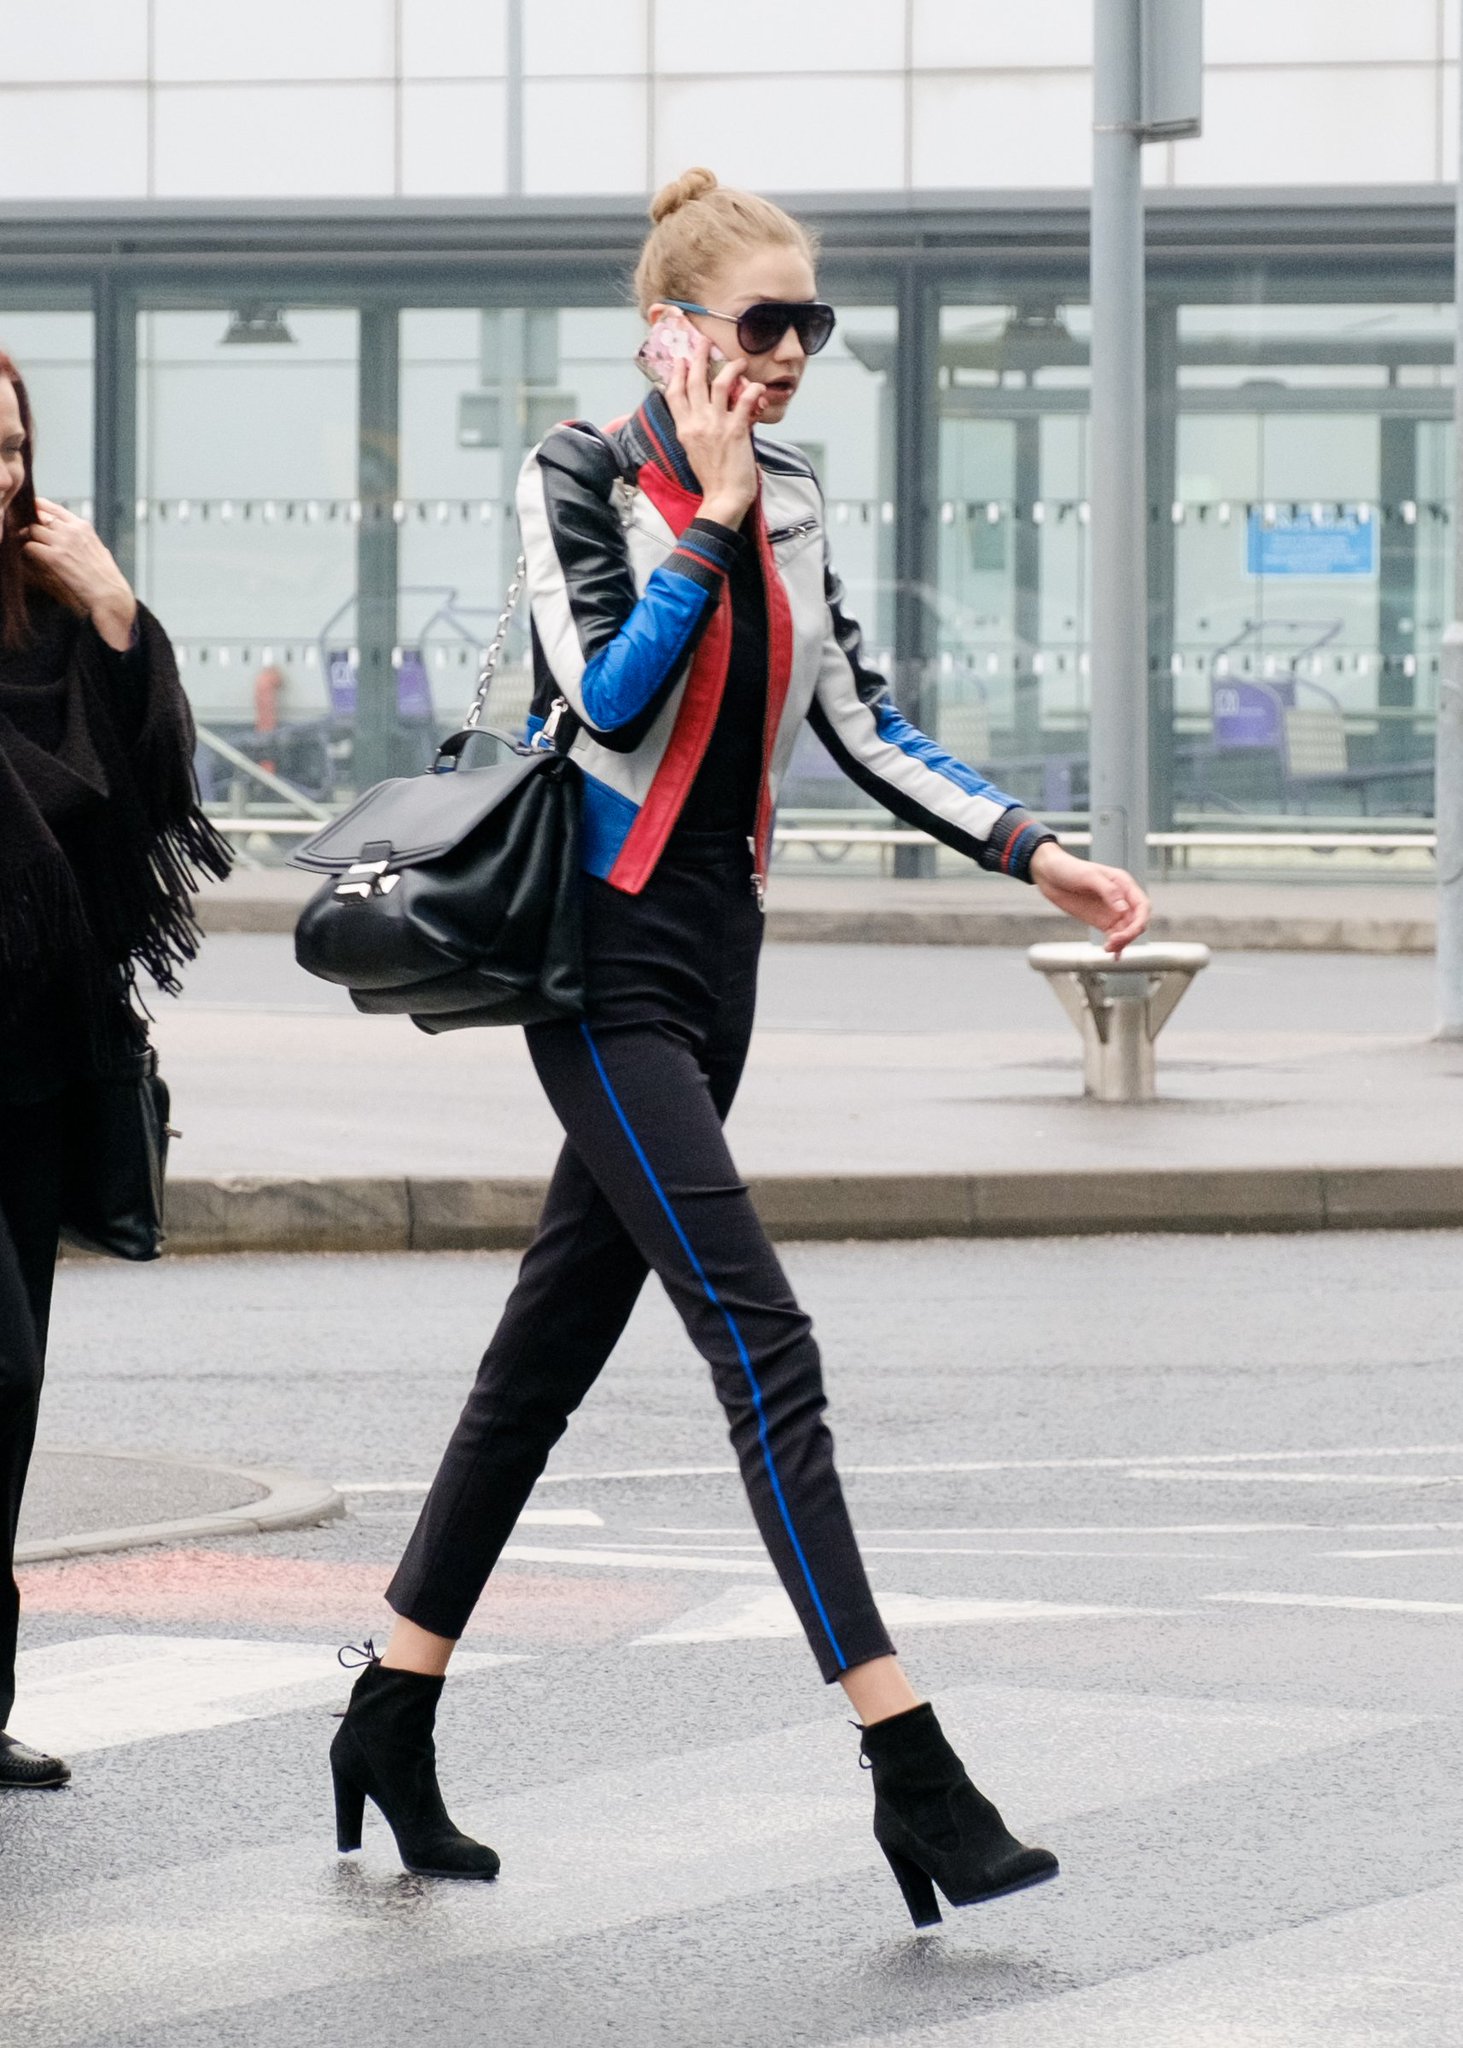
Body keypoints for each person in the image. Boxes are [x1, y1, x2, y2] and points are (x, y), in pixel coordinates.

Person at [331, 170, 1151, 1925]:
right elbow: (604, 697)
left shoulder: (794, 493)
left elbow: (857, 716)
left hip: (723, 960)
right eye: (759, 324)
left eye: (809, 327)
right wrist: (699, 517)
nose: (788, 358)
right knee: (763, 1341)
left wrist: (1037, 847)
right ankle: (909, 1763)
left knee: (547, 1348)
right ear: (676, 330)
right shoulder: (578, 474)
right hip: (601, 959)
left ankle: (389, 1706)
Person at [0, 350, 230, 1789]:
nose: (3, 474)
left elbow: (149, 800)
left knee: (13, 1399)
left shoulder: (51, 624)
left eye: (12, 447)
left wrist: (116, 604)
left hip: (32, 1065)